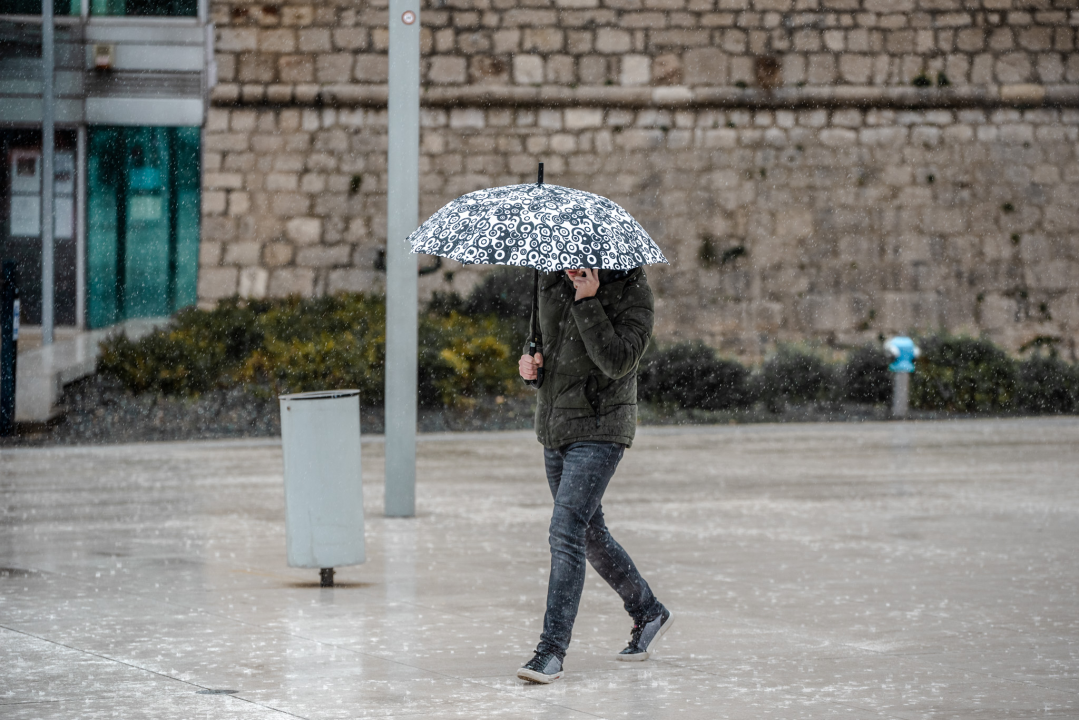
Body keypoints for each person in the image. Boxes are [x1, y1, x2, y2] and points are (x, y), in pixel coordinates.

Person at [515, 266, 673, 685]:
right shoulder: (548, 276)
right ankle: (648, 611)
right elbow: (540, 340)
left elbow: (618, 362)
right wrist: (530, 363)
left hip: (602, 429)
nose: (571, 262)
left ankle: (550, 651)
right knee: (588, 533)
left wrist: (589, 301)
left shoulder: (634, 291)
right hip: (556, 426)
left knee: (565, 531)